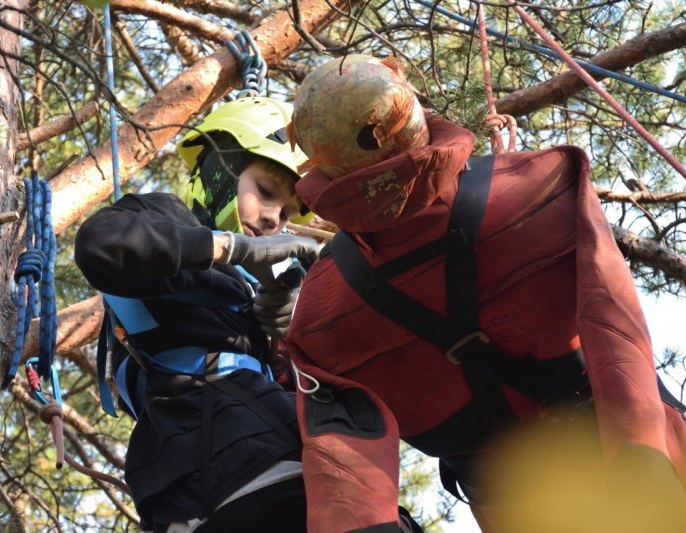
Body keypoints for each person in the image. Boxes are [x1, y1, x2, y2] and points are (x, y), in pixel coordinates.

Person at [285, 54, 686, 533]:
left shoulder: (318, 315)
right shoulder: (542, 185)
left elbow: (344, 462)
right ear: (409, 110)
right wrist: (641, 452)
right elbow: (612, 319)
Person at [74, 96, 321, 532]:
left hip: (194, 477)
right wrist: (230, 248)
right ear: (220, 171)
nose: (271, 219)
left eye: (285, 213)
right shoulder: (169, 220)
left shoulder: (251, 286)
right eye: (264, 192)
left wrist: (282, 331)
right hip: (239, 453)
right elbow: (99, 244)